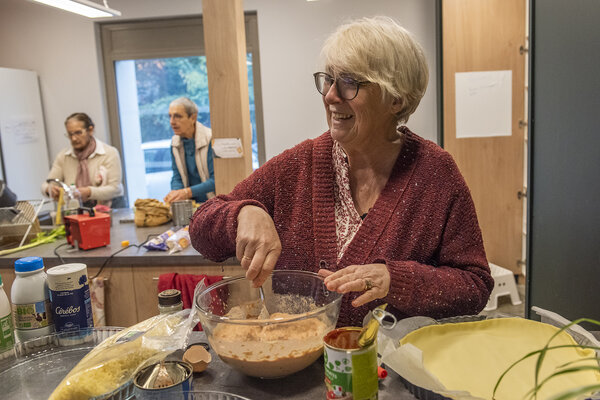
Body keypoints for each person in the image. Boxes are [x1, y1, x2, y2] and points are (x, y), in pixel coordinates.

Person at [189, 17, 494, 327]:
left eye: (349, 83)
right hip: (297, 363)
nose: (331, 96)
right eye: (329, 80)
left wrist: (396, 279)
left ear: (396, 98)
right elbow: (201, 230)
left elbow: (475, 287)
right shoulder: (297, 166)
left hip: (389, 368)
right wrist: (243, 213)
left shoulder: (435, 174)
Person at [41, 113, 124, 207]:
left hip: (109, 208)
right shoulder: (63, 157)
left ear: (90, 130)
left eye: (78, 133)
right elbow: (47, 184)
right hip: (76, 211)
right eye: (70, 134)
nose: (74, 138)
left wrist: (89, 191)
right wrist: (49, 189)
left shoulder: (109, 153)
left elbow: (115, 188)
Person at [163, 97, 215, 204]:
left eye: (178, 116)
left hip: (214, 204)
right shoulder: (174, 143)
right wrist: (175, 192)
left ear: (193, 118)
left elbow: (216, 180)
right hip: (191, 206)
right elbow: (177, 176)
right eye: (170, 116)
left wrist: (186, 192)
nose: (172, 122)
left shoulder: (210, 139)